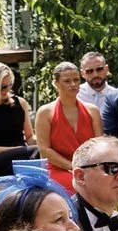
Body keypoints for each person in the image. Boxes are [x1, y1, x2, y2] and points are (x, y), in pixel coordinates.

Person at [33, 61, 98, 193]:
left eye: (76, 80)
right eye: (67, 81)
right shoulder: (45, 112)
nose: (73, 84)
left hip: (90, 166)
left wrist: (89, 168)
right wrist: (72, 166)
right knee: (75, 184)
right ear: (56, 84)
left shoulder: (92, 111)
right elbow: (44, 150)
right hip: (59, 168)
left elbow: (99, 145)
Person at [76, 52, 114, 120]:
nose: (95, 75)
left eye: (99, 69)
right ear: (82, 73)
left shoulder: (116, 96)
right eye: (89, 71)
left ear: (106, 69)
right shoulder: (76, 95)